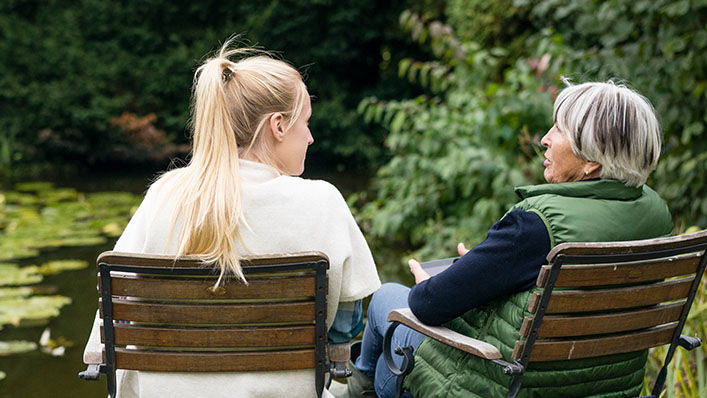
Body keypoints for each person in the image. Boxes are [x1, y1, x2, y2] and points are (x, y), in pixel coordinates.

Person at [345, 81, 672, 398]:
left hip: (493, 386)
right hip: (605, 389)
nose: (544, 139)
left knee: (388, 297)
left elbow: (427, 305)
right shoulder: (655, 215)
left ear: (591, 162)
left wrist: (430, 283)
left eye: (558, 130)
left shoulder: (536, 225)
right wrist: (486, 266)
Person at [109, 38, 381, 397]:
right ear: (278, 125)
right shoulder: (322, 202)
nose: (311, 138)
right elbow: (346, 326)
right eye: (306, 123)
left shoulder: (165, 194)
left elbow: (119, 307)